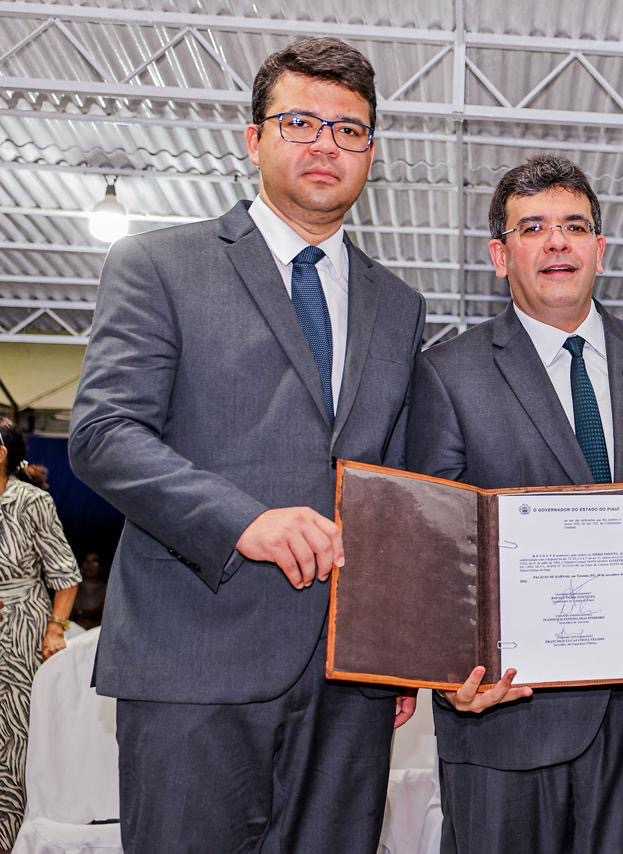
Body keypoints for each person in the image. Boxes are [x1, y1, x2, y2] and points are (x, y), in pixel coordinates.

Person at [68, 36, 424, 852]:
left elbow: (396, 483)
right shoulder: (159, 264)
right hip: (194, 657)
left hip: (350, 681)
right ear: (253, 138)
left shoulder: (398, 305)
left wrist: (401, 645)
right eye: (300, 122)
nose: (325, 144)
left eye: (349, 130)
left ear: (371, 153)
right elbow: (103, 434)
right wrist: (243, 521)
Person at [406, 154, 623, 854]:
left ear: (599, 249)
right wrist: (446, 672)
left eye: (575, 226)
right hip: (505, 711)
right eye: (533, 228)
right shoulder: (447, 373)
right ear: (500, 256)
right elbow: (430, 543)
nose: (557, 242)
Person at [0, 417, 80, 849]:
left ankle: (9, 836)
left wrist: (54, 630)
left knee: (12, 736)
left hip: (18, 631)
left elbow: (65, 576)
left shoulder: (31, 502)